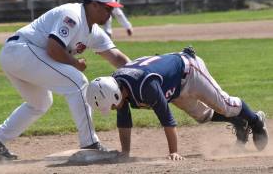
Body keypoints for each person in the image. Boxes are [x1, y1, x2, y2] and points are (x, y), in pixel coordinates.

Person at [0, 0, 131, 161]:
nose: (110, 13)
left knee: (40, 103)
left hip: (18, 55)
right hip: (21, 50)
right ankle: (90, 143)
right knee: (77, 82)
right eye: (108, 8)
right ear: (94, 5)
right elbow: (53, 49)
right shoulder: (73, 15)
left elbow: (117, 58)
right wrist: (75, 63)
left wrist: (138, 71)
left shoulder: (94, 31)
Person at [86, 47, 269, 160]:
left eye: (110, 106)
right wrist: (125, 152)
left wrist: (174, 151)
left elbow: (167, 118)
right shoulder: (117, 87)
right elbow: (124, 121)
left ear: (116, 96)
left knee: (225, 105)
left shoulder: (145, 86)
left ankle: (255, 120)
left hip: (189, 71)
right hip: (173, 85)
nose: (112, 109)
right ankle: (239, 122)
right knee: (203, 116)